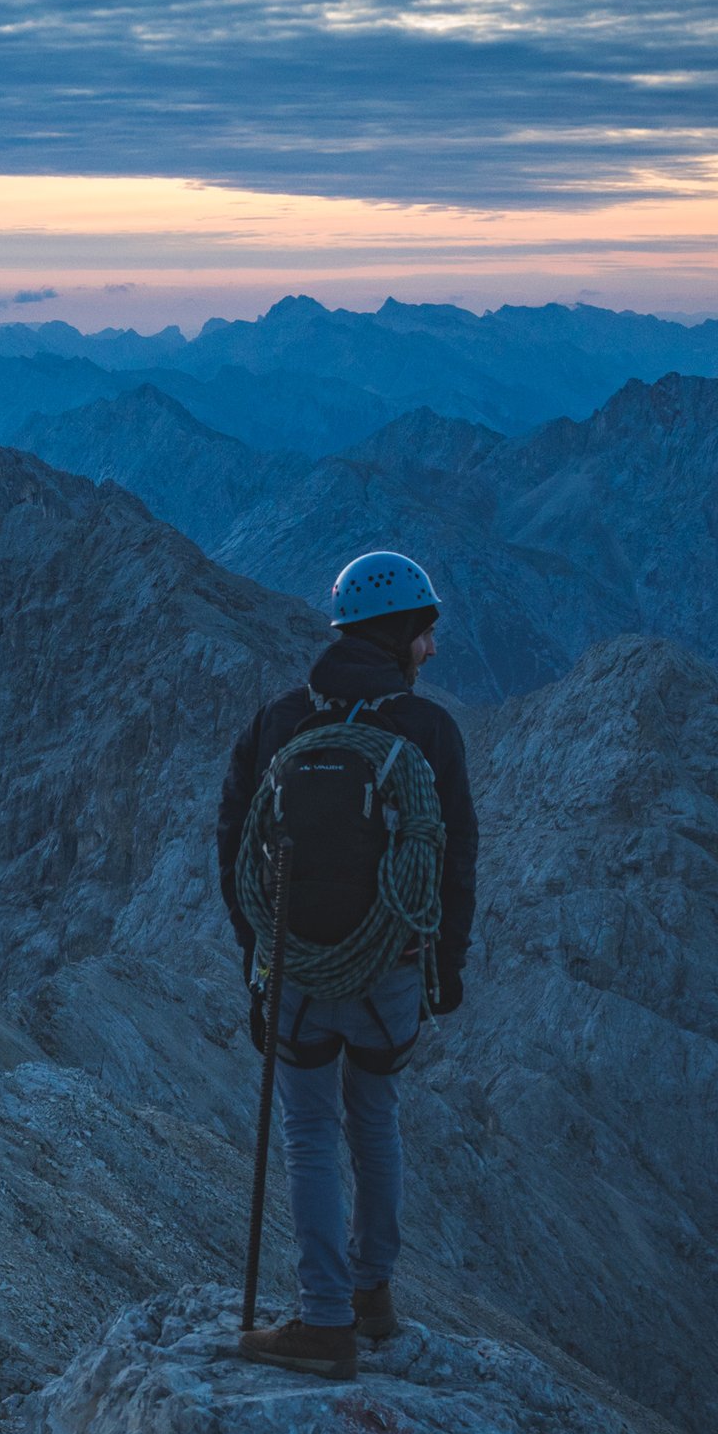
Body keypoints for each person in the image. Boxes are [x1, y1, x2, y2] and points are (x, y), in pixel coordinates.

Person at [214, 551, 478, 1378]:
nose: (430, 646)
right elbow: (456, 860)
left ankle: (320, 1316)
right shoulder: (430, 732)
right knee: (375, 1117)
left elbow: (234, 843)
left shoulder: (280, 720)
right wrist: (447, 965)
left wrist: (260, 949)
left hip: (298, 970)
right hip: (391, 969)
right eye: (424, 630)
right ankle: (366, 1301)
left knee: (308, 1132)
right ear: (397, 634)